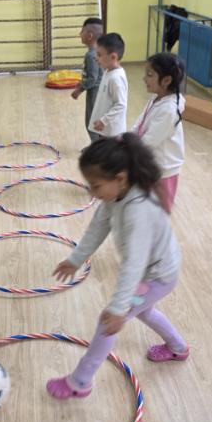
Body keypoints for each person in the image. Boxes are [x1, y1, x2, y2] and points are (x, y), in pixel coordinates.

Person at [46, 134, 188, 400]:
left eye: (96, 186)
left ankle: (80, 381)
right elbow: (97, 228)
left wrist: (118, 308)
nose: (92, 192)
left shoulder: (138, 210)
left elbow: (134, 264)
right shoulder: (115, 196)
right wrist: (75, 259)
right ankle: (178, 347)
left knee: (107, 322)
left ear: (120, 178)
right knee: (144, 311)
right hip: (153, 272)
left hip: (156, 276)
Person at [131, 52, 186, 213]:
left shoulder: (169, 110)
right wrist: (126, 139)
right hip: (149, 163)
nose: (144, 78)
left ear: (166, 80)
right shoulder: (156, 98)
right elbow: (139, 123)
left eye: (149, 75)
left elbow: (149, 141)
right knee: (144, 210)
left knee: (158, 215)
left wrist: (126, 151)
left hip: (163, 170)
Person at [88, 32, 129, 139]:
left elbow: (121, 105)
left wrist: (104, 121)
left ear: (113, 57)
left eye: (99, 55)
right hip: (105, 131)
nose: (96, 58)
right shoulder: (108, 71)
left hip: (112, 133)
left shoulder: (116, 78)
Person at [71, 17, 104, 143]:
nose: (79, 34)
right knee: (97, 120)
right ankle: (99, 146)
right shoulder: (99, 51)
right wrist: (82, 82)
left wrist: (78, 90)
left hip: (95, 92)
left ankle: (96, 148)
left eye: (82, 31)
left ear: (89, 36)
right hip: (100, 91)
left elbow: (92, 78)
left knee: (91, 121)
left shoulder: (91, 55)